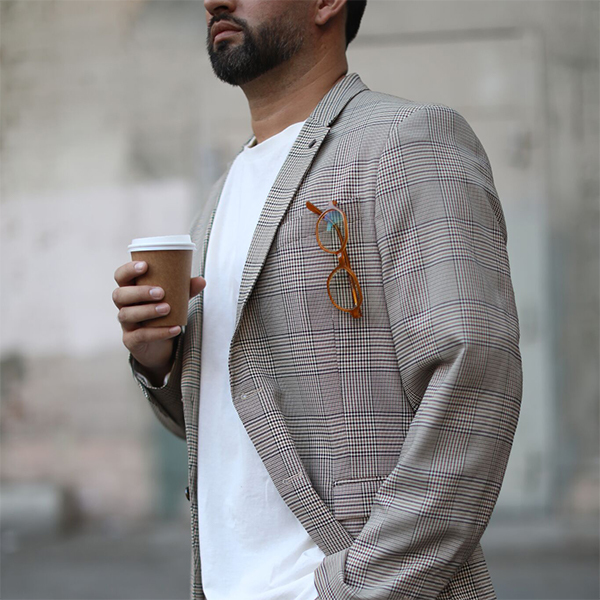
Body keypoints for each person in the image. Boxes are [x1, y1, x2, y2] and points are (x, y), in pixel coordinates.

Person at [112, 0, 523, 598]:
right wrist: (157, 361)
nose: (213, 1)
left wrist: (349, 589)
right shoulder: (219, 201)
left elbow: (475, 392)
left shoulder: (410, 141)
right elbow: (226, 422)